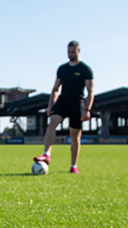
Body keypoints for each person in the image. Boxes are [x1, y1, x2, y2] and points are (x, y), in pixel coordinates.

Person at [33, 40, 94, 174]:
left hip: (77, 102)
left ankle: (73, 166)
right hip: (63, 100)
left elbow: (90, 92)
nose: (70, 54)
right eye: (68, 52)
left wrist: (87, 109)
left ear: (78, 51)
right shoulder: (62, 69)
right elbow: (55, 89)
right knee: (53, 121)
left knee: (75, 135)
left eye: (72, 52)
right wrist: (50, 106)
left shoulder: (85, 69)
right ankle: (46, 154)